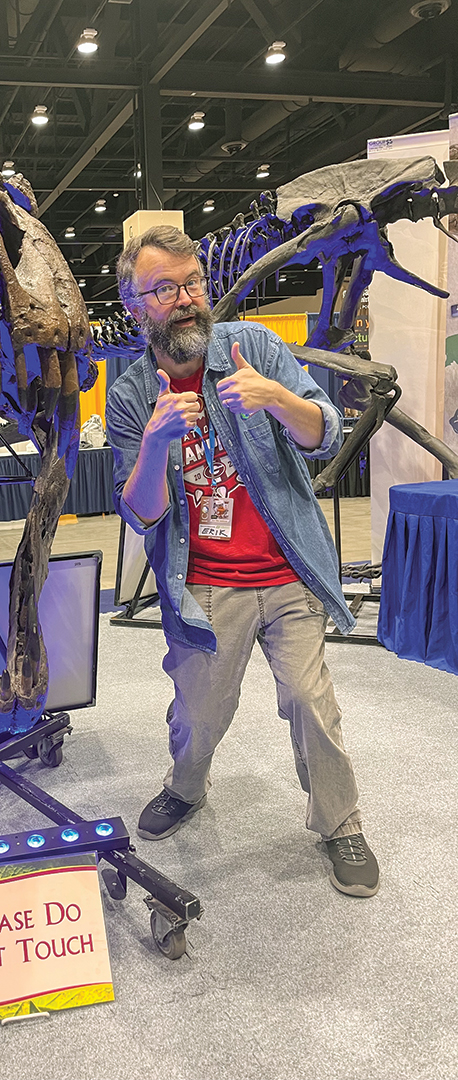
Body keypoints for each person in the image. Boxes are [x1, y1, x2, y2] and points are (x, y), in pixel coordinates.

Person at [105, 226, 378, 898]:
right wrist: (152, 446)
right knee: (199, 715)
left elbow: (324, 434)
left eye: (191, 281)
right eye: (163, 288)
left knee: (312, 703)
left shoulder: (251, 348)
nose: (185, 298)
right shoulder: (131, 395)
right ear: (137, 303)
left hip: (286, 571)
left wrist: (279, 400)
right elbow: (140, 512)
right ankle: (185, 787)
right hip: (202, 586)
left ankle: (339, 820)